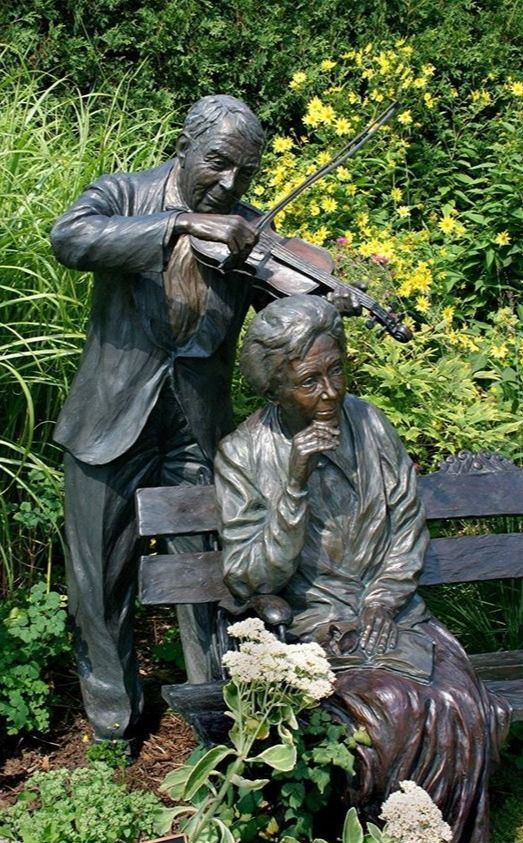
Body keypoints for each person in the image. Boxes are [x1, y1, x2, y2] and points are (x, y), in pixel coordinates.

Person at [214, 294, 510, 843]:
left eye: (336, 371)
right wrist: (294, 485)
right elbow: (249, 577)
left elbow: (406, 523)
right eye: (309, 381)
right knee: (395, 705)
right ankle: (379, 828)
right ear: (276, 386)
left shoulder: (370, 422)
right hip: (312, 629)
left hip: (397, 617)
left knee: (460, 703)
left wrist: (383, 599)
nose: (329, 392)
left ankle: (440, 832)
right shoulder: (244, 453)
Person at [50, 94, 266, 750]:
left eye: (244, 175)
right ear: (185, 146)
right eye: (218, 164)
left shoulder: (249, 229)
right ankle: (115, 731)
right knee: (98, 582)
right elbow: (71, 237)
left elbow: (286, 311)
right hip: (110, 420)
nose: (228, 186)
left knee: (205, 577)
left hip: (195, 431)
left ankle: (215, 726)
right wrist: (177, 226)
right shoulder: (122, 193)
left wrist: (325, 303)